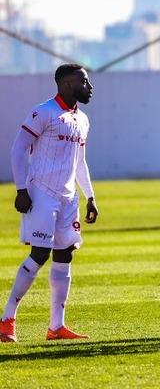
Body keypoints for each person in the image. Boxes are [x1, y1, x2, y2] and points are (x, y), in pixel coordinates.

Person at [1, 64, 98, 343]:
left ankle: (56, 326)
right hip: (42, 193)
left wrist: (90, 196)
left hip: (69, 199)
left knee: (65, 254)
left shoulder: (83, 120)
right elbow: (17, 148)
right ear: (67, 83)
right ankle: (7, 320)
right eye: (84, 81)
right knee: (40, 253)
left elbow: (80, 162)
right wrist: (21, 189)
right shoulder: (44, 111)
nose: (89, 87)